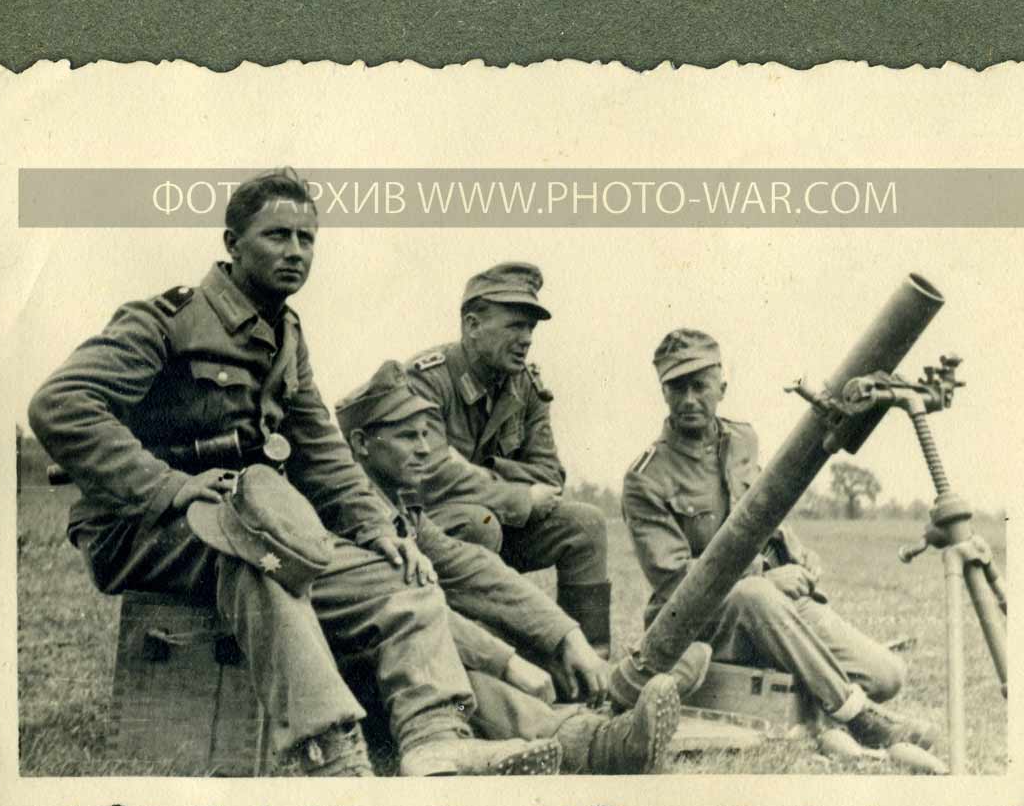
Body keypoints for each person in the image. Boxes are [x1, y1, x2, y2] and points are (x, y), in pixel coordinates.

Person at [28, 168, 558, 777]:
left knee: (399, 576)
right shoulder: (167, 320)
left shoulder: (286, 336)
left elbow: (320, 449)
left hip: (250, 524)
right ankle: (332, 753)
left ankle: (436, 740)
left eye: (307, 239)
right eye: (278, 235)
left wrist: (379, 528)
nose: (296, 252)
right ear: (232, 243)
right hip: (138, 529)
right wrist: (170, 488)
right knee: (258, 551)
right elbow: (60, 405)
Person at [334, 360, 713, 773]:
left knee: (507, 630)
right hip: (366, 675)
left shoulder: (399, 509)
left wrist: (567, 637)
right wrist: (507, 662)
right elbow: (409, 611)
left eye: (426, 433)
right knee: (460, 662)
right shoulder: (345, 519)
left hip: (402, 660)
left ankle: (615, 689)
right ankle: (590, 744)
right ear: (361, 444)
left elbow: (478, 572)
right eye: (408, 436)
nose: (425, 448)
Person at [620, 329, 935, 750]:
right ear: (663, 392)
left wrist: (796, 553)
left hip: (769, 603)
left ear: (722, 387)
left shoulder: (743, 440)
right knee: (754, 595)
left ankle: (814, 687)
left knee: (887, 675)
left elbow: (762, 510)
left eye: (700, 385)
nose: (690, 399)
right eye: (677, 388)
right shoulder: (646, 477)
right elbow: (676, 579)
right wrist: (765, 578)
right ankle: (857, 717)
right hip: (695, 624)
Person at [403, 262, 612, 654]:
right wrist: (517, 495)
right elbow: (428, 474)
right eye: (515, 326)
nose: (526, 339)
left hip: (501, 524)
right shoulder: (426, 380)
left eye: (530, 328)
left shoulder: (525, 385)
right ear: (472, 325)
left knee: (586, 524)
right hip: (428, 531)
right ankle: (473, 656)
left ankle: (591, 663)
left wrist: (480, 471)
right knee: (479, 521)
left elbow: (550, 476)